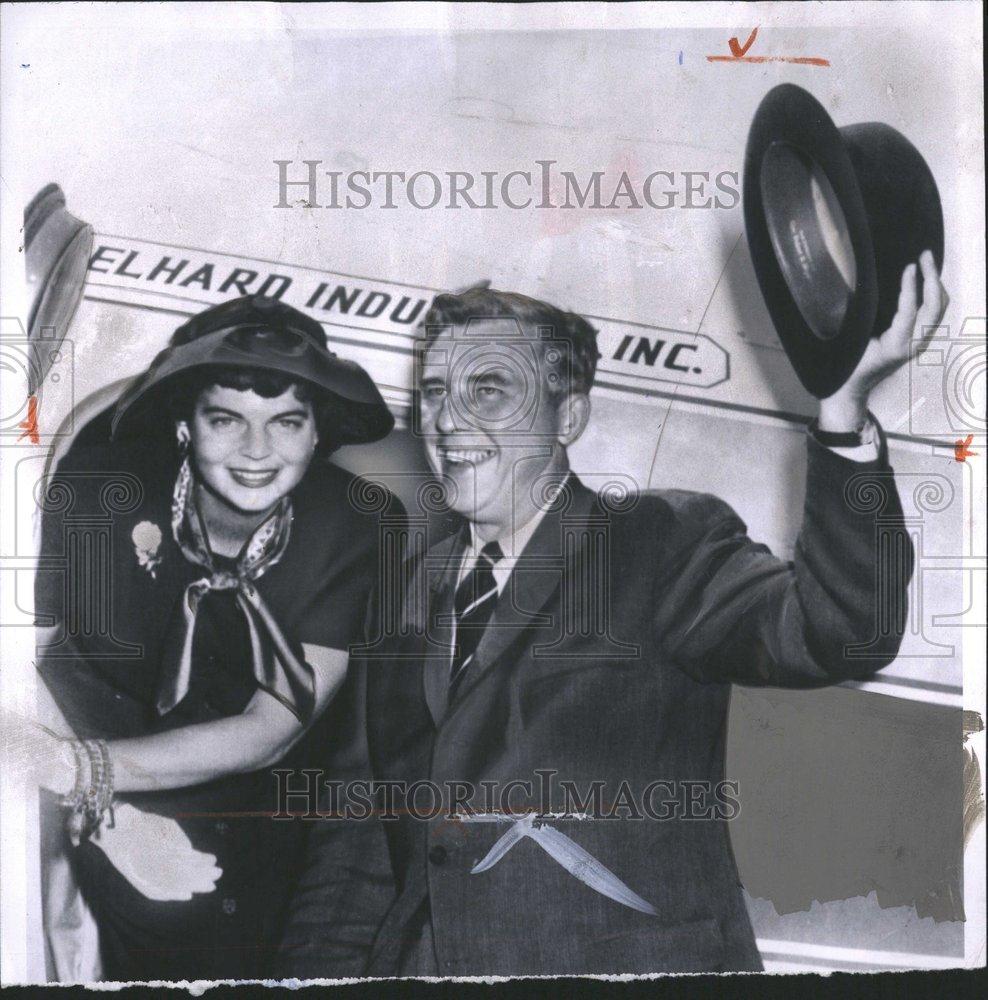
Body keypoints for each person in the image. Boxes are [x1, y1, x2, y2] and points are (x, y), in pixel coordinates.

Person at [279, 252, 947, 976]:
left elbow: (840, 632)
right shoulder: (402, 594)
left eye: (491, 390)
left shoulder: (661, 544)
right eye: (435, 391)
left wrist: (844, 414)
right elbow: (357, 851)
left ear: (569, 415)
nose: (448, 420)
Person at [29, 294, 399, 981]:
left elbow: (273, 729)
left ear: (317, 432)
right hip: (95, 748)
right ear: (183, 425)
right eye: (226, 419)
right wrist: (100, 798)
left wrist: (91, 776)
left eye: (287, 422)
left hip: (270, 802)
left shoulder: (358, 524)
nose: (258, 452)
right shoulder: (96, 485)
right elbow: (30, 661)